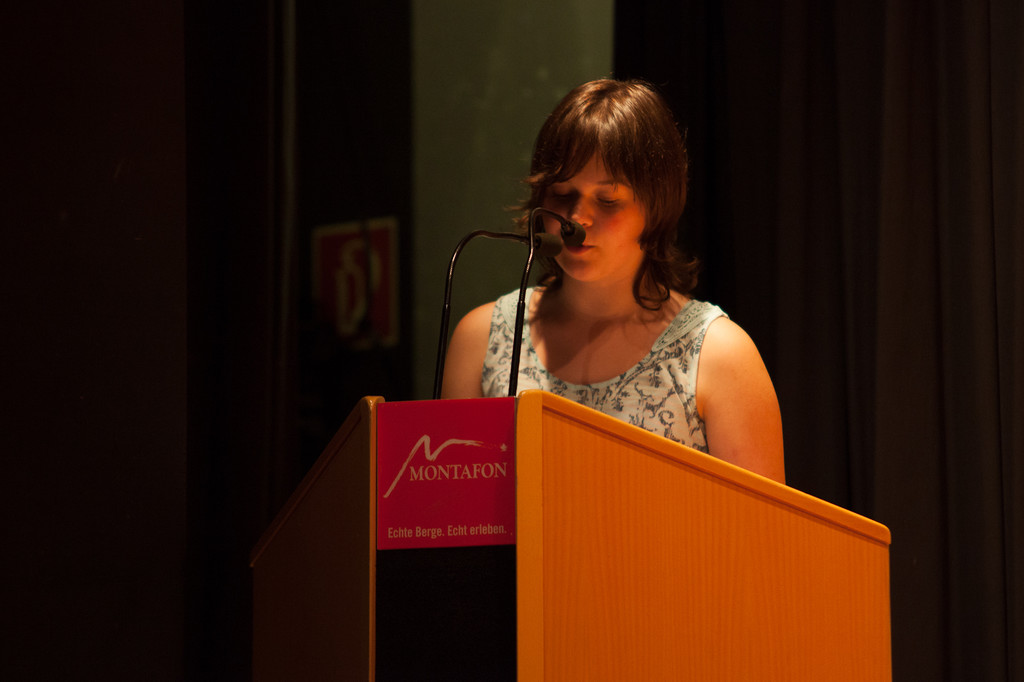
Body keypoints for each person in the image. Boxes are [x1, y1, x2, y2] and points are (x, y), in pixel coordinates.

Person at [442, 78, 785, 484]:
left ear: (657, 207)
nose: (577, 218)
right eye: (561, 194)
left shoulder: (719, 356)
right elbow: (448, 508)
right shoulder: (481, 339)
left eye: (607, 200)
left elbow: (763, 524)